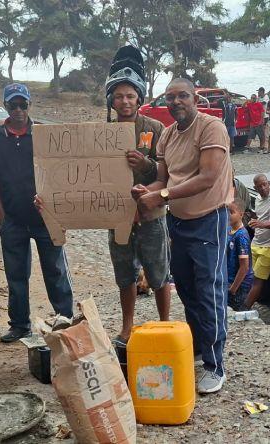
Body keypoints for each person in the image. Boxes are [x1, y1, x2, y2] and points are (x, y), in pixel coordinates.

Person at [133, 78, 233, 394]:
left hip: (209, 220)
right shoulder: (167, 136)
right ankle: (200, 350)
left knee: (210, 291)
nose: (176, 102)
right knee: (187, 290)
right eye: (170, 97)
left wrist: (159, 195)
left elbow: (208, 177)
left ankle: (215, 365)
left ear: (195, 98)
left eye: (183, 96)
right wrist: (142, 192)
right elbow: (162, 180)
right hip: (177, 222)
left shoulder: (211, 127)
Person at [0, 83, 74, 342]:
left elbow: (61, 174)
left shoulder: (44, 135)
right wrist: (1, 215)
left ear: (29, 105)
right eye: (13, 105)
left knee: (56, 272)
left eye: (23, 104)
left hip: (46, 218)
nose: (18, 110)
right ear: (6, 106)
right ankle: (19, 325)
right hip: (12, 219)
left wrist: (60, 211)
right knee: (16, 275)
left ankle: (64, 319)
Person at [103, 52, 171, 347]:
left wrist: (145, 166)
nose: (125, 101)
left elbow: (168, 173)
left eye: (130, 95)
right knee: (124, 274)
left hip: (150, 215)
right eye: (118, 96)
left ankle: (165, 325)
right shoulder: (102, 133)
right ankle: (127, 326)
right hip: (117, 216)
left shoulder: (154, 129)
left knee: (159, 273)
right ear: (111, 101)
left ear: (139, 98)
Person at [242, 174, 270, 310]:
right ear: (255, 188)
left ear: (269, 183)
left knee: (258, 279)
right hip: (256, 242)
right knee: (250, 276)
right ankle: (245, 300)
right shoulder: (258, 198)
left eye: (264, 184)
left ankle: (244, 307)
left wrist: (261, 224)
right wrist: (253, 220)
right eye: (259, 186)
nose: (263, 188)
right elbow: (260, 216)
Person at [226, 199, 253, 311]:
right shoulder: (229, 230)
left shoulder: (241, 236)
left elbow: (244, 266)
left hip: (240, 284)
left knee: (237, 310)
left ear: (241, 214)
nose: (228, 215)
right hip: (229, 279)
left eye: (231, 212)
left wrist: (233, 289)